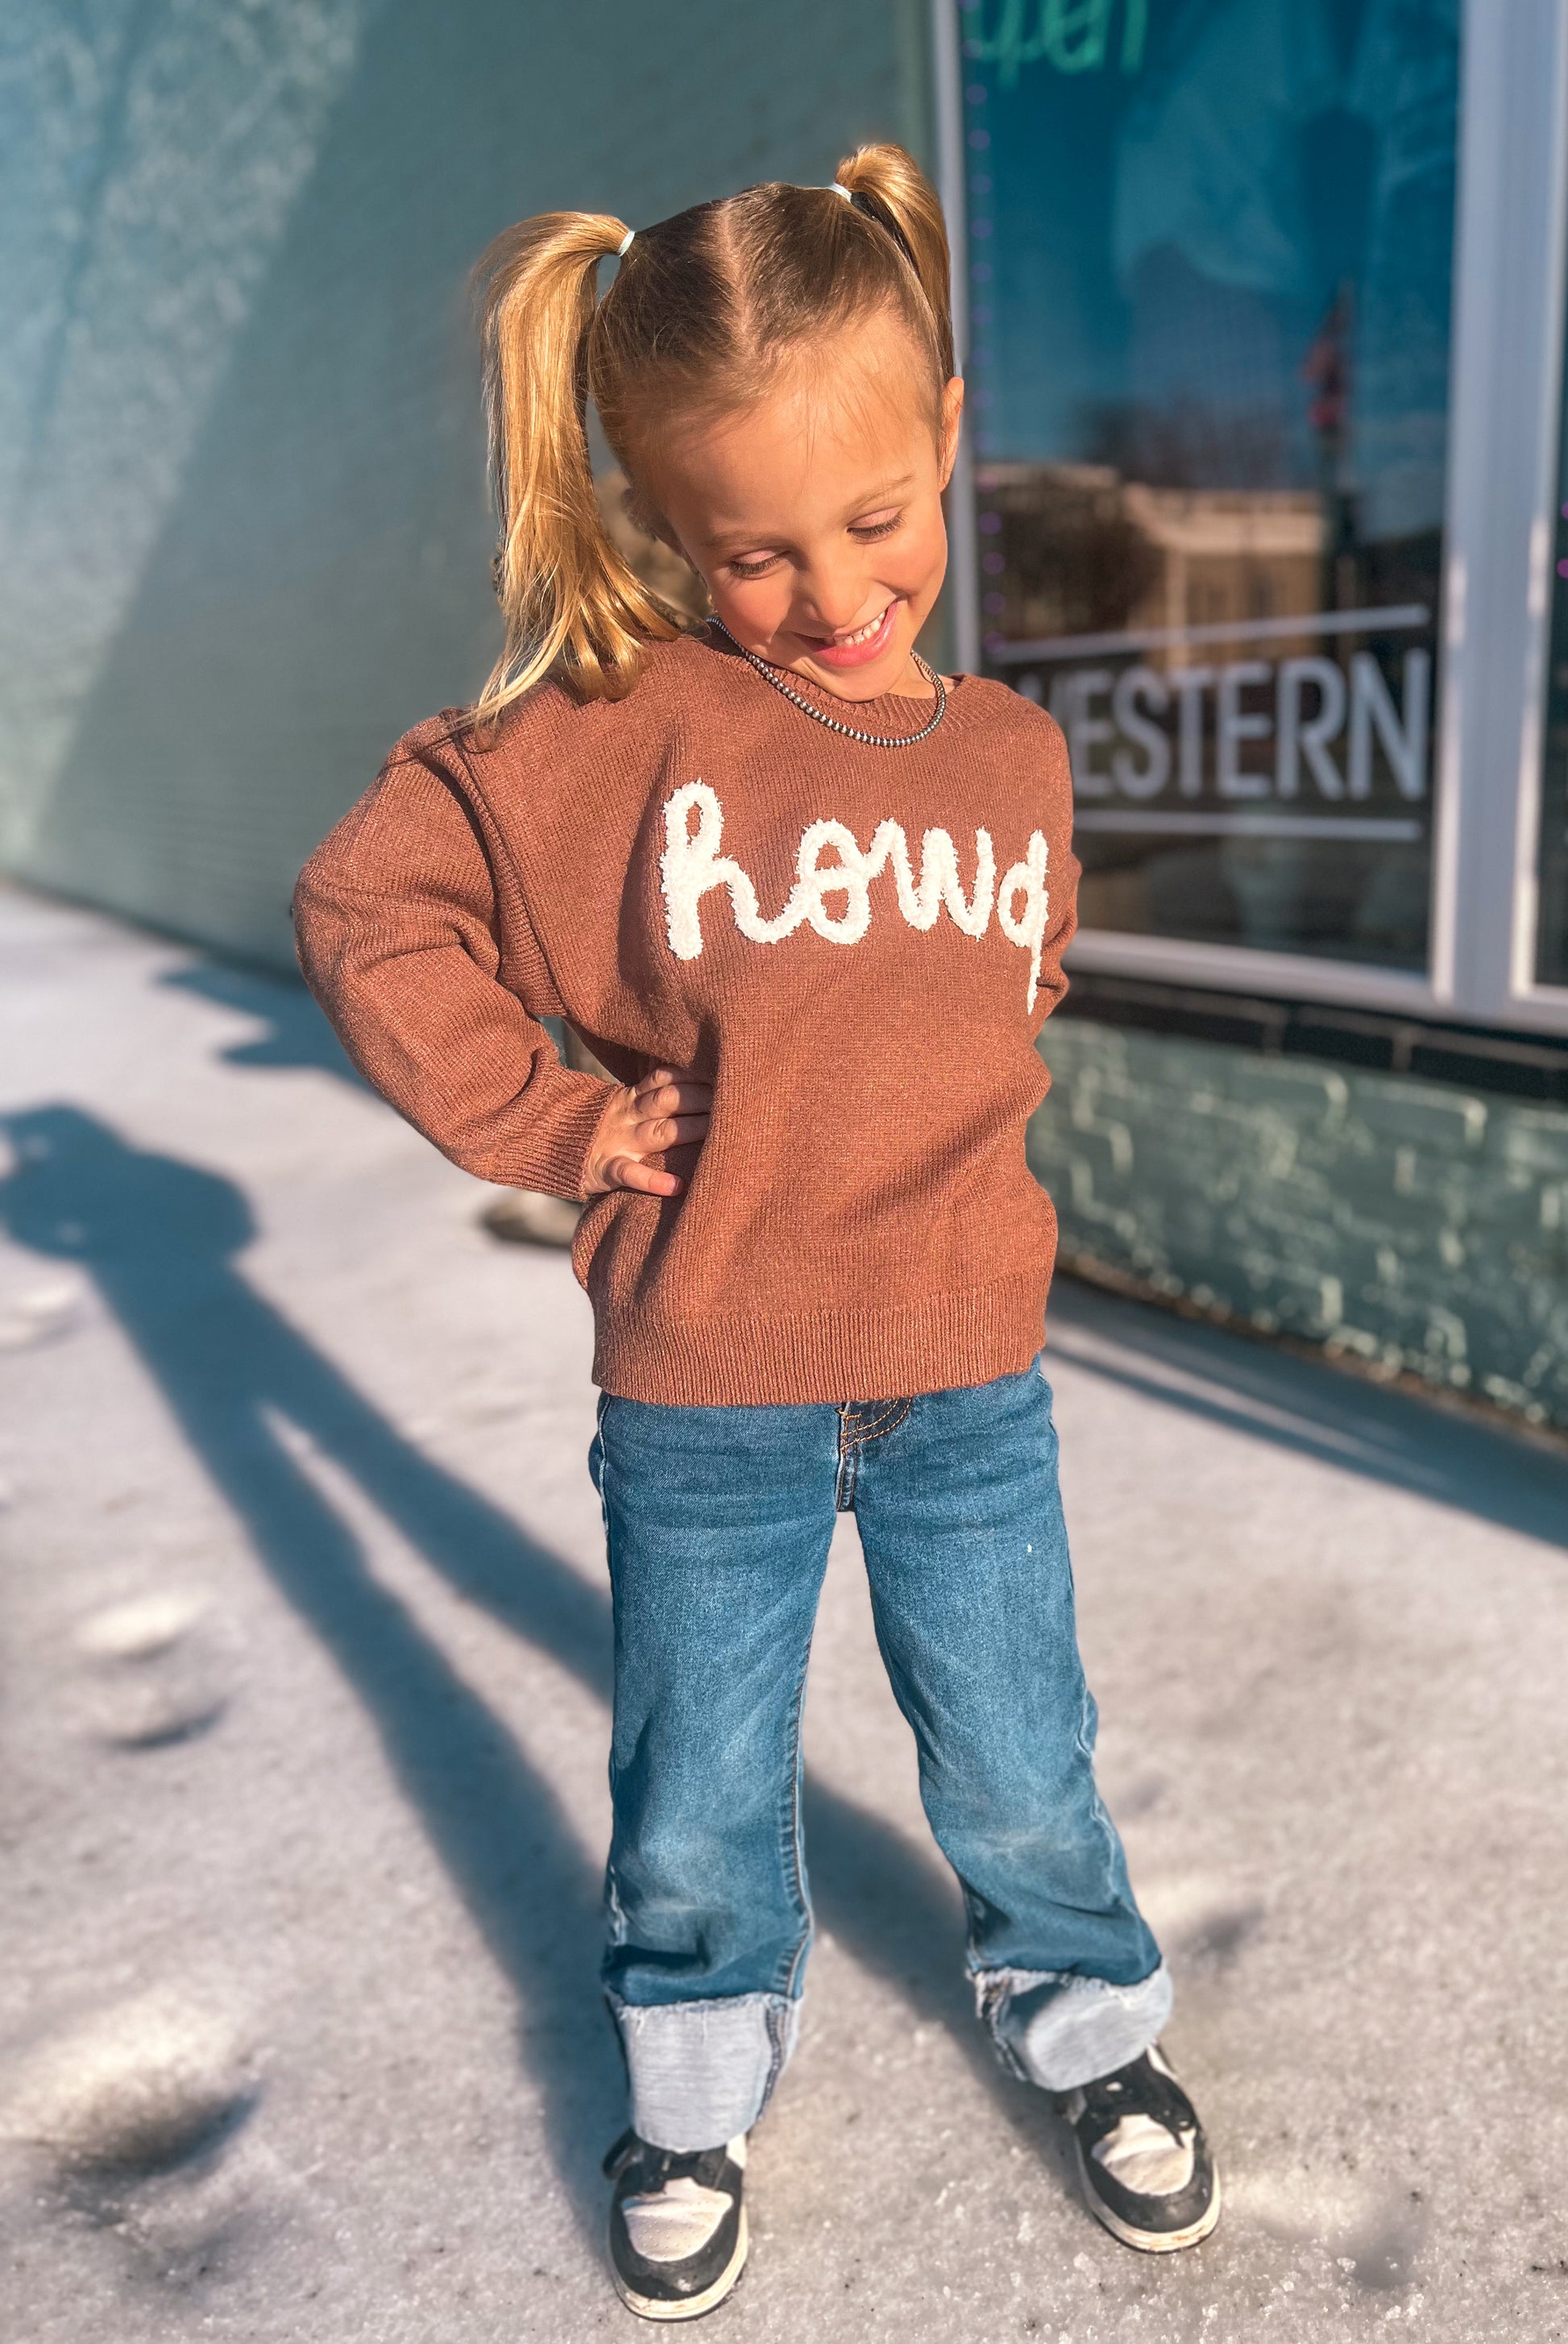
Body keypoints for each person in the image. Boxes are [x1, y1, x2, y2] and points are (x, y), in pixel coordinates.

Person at [293, 143, 1219, 2323]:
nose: (828, 592)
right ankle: (695, 2084)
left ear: (948, 439)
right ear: (666, 526)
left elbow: (1004, 975)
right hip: (708, 1383)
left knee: (1019, 1744)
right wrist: (557, 1119)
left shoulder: (1010, 754)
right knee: (699, 1774)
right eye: (754, 552)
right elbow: (369, 903)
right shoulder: (621, 725)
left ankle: (1084, 2015)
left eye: (874, 521)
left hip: (965, 1376)